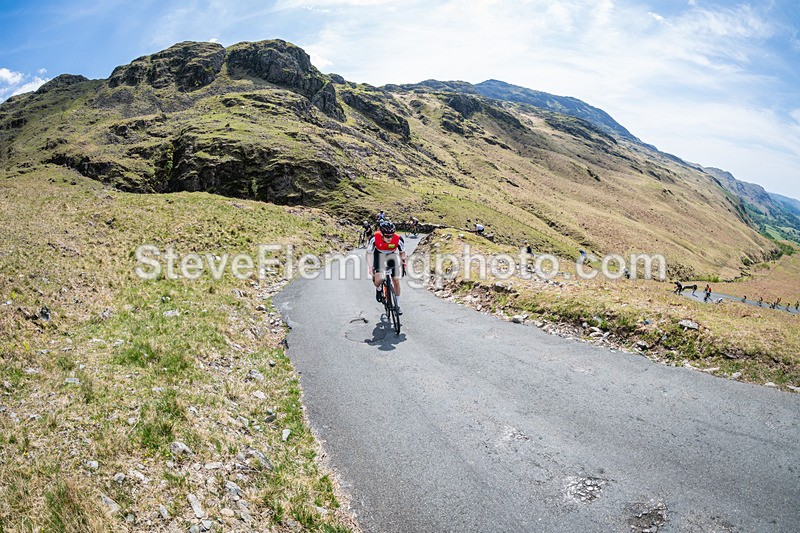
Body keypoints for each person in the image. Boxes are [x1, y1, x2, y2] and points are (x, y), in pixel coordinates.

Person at [366, 221, 407, 315]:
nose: (390, 238)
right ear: (381, 234)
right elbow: (368, 253)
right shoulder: (374, 238)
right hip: (378, 255)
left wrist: (404, 262)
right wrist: (370, 266)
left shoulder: (398, 239)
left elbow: (402, 252)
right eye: (387, 236)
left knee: (396, 280)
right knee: (378, 279)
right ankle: (379, 289)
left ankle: (397, 304)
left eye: (391, 236)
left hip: (391, 255)